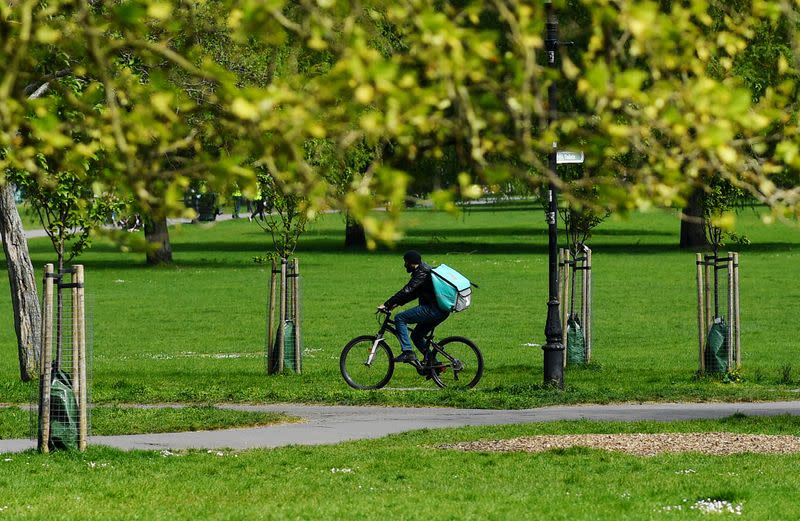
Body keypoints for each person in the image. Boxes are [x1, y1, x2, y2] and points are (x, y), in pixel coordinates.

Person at [378, 251, 449, 364]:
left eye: (405, 262)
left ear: (411, 262)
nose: (405, 265)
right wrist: (395, 304)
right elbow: (413, 294)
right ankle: (434, 364)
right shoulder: (424, 271)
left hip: (432, 309)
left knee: (400, 318)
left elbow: (407, 290)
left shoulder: (421, 273)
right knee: (416, 336)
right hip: (441, 311)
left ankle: (408, 352)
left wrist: (386, 304)